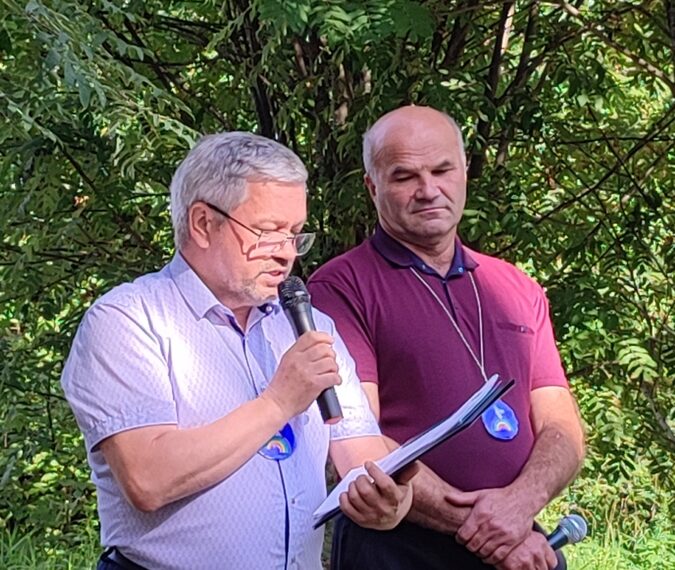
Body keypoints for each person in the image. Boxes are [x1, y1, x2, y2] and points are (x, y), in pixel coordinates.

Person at [60, 132, 415, 570]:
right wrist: (278, 401)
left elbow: (360, 452)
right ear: (202, 224)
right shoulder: (128, 320)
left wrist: (390, 499)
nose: (286, 255)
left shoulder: (310, 326)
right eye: (267, 232)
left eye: (295, 234)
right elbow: (147, 478)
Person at [307, 106, 586, 570]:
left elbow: (562, 426)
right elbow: (357, 440)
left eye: (442, 170)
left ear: (464, 172)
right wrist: (487, 530)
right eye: (405, 176)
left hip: (519, 542)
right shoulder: (340, 288)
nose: (428, 189)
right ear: (372, 187)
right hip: (398, 548)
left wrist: (520, 507)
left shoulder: (515, 288)